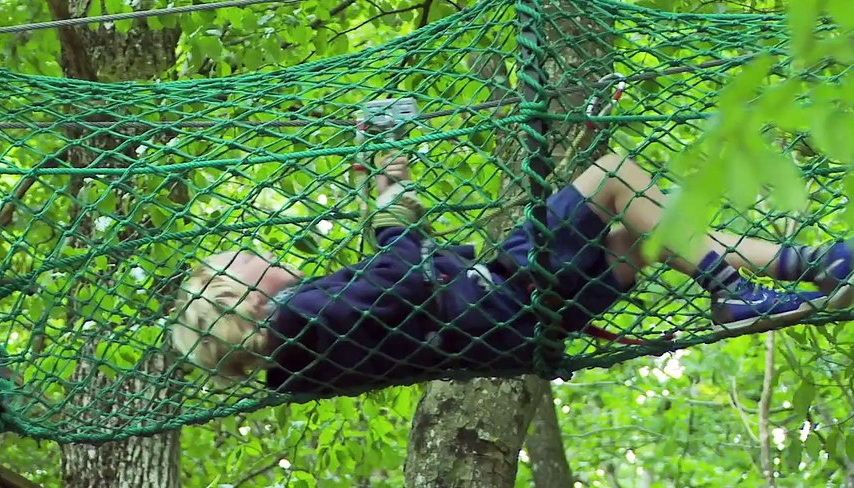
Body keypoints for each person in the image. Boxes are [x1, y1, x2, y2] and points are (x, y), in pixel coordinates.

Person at [168, 153, 852, 395]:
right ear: (248, 294)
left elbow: (391, 300)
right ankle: (736, 292)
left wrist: (387, 203)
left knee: (637, 236)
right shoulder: (304, 315)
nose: (257, 254)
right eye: (244, 261)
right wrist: (388, 206)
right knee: (614, 174)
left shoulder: (301, 356)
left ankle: (812, 268)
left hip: (514, 324)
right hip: (505, 295)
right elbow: (405, 279)